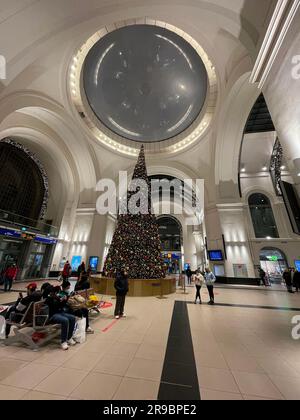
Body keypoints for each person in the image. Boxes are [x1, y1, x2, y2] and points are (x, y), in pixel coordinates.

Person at [42, 284, 77, 350]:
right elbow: (53, 307)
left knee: (72, 318)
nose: (56, 293)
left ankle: (69, 338)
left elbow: (59, 306)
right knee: (65, 320)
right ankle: (63, 342)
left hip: (59, 313)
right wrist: (59, 300)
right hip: (52, 315)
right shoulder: (48, 299)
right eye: (54, 292)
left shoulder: (55, 297)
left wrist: (64, 300)